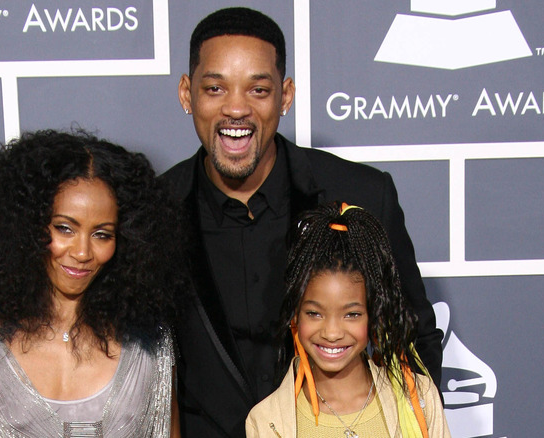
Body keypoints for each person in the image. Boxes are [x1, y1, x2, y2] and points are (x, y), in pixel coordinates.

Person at [162, 7, 443, 437]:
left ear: (285, 95)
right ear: (187, 94)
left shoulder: (362, 194)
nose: (236, 108)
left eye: (258, 89)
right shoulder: (153, 211)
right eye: (215, 87)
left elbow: (414, 335)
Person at [0, 129, 184, 437]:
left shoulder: (151, 348)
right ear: (26, 226)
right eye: (65, 229)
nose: (82, 252)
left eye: (102, 234)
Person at [246, 203, 450, 437]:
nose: (332, 333)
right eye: (314, 313)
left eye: (352, 314)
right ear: (295, 314)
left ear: (374, 314)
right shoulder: (266, 421)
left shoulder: (419, 398)